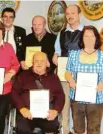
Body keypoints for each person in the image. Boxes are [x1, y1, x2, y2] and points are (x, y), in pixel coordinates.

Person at [11, 52, 65, 134]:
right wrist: (22, 109)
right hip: (27, 113)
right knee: (22, 129)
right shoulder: (23, 76)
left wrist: (55, 111)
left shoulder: (54, 77)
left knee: (52, 127)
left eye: (42, 61)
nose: (39, 63)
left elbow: (60, 95)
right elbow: (14, 93)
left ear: (47, 63)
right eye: (36, 61)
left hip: (47, 113)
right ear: (32, 62)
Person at [52, 4, 84, 134]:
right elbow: (57, 51)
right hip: (64, 74)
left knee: (79, 108)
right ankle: (65, 131)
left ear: (79, 15)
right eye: (67, 14)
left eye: (73, 13)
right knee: (64, 106)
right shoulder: (62, 33)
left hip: (81, 75)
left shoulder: (87, 31)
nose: (70, 16)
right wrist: (55, 57)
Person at [65, 25, 103, 134]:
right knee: (78, 129)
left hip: (96, 98)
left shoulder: (102, 56)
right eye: (86, 36)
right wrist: (71, 81)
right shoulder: (73, 54)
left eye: (92, 36)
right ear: (82, 38)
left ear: (96, 38)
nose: (89, 39)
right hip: (77, 97)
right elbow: (67, 72)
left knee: (94, 129)